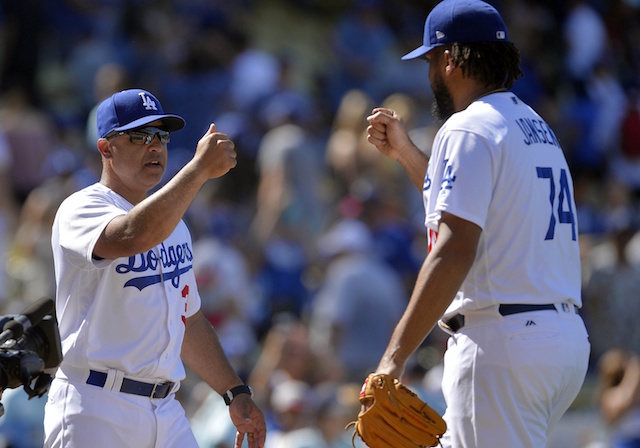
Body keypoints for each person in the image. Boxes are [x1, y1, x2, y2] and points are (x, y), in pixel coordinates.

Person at [365, 1, 591, 447]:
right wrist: (407, 155)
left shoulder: (466, 128)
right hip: (558, 341)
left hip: (502, 342)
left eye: (430, 59)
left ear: (449, 60)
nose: (429, 73)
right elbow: (468, 205)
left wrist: (394, 357)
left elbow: (453, 249)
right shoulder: (532, 124)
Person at [43, 89, 266, 448]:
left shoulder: (175, 226)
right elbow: (131, 235)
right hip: (95, 404)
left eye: (161, 135)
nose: (155, 146)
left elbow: (189, 321)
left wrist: (234, 390)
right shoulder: (80, 208)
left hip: (165, 409)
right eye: (140, 135)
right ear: (105, 148)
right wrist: (197, 171)